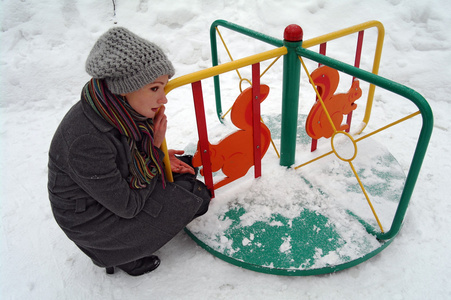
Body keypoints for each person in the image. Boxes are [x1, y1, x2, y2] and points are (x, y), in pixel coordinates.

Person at [48, 27, 211, 276]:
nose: (164, 99)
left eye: (164, 87)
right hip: (95, 223)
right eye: (155, 88)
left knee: (186, 167)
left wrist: (160, 156)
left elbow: (127, 151)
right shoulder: (85, 141)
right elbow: (128, 206)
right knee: (196, 195)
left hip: (108, 196)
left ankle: (128, 245)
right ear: (125, 87)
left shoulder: (113, 106)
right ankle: (120, 255)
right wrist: (155, 151)